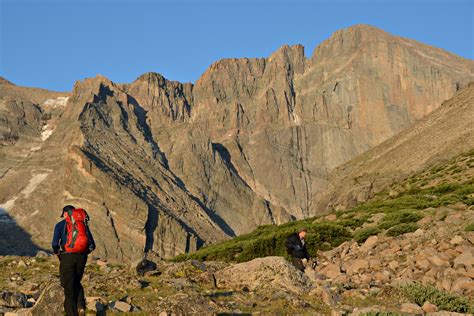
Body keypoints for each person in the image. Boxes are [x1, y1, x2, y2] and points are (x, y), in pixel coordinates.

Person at [52, 205, 96, 316]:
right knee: (76, 281)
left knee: (67, 286)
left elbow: (54, 243)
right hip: (82, 256)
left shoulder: (60, 225)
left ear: (65, 213)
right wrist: (83, 253)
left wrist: (58, 253)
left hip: (67, 256)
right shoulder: (83, 225)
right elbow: (92, 245)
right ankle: (81, 307)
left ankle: (72, 313)